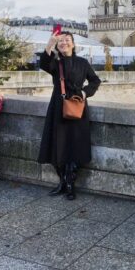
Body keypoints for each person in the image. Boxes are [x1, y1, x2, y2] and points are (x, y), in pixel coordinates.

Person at [37, 31, 101, 200]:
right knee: (56, 144)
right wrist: (50, 43)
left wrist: (85, 93)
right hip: (58, 107)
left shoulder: (82, 62)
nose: (64, 43)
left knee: (75, 145)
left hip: (76, 106)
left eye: (67, 40)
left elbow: (95, 81)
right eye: (61, 41)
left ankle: (71, 182)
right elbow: (43, 63)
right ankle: (63, 181)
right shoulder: (55, 62)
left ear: (73, 44)